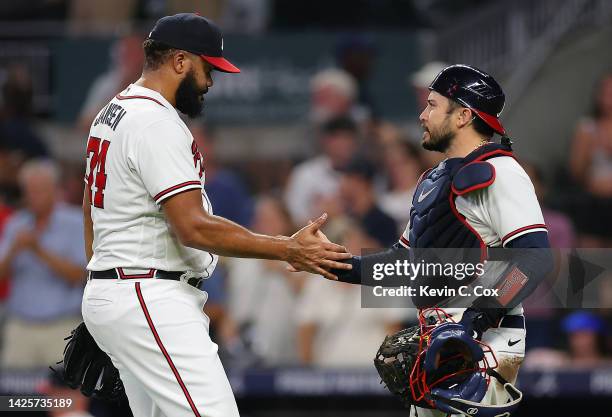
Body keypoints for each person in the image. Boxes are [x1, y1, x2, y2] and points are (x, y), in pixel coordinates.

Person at [80, 13, 351, 417]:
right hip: (147, 293)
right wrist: (286, 249)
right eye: (208, 68)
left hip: (125, 289)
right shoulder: (154, 121)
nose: (210, 82)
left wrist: (103, 284)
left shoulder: (112, 112)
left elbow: (90, 203)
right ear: (180, 61)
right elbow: (192, 226)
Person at [327, 64, 553, 416]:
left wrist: (474, 322)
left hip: (479, 343)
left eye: (432, 105)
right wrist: (335, 265)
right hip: (440, 340)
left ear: (464, 115)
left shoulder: (500, 171)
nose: (422, 114)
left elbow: (534, 260)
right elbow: (403, 263)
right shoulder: (432, 180)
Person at [0, 160, 85, 369]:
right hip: (20, 326)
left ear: (55, 191)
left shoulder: (75, 222)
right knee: (14, 397)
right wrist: (13, 251)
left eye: (39, 190)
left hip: (62, 327)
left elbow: (79, 275)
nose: (33, 196)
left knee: (63, 397)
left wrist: (38, 250)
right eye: (29, 191)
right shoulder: (16, 223)